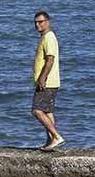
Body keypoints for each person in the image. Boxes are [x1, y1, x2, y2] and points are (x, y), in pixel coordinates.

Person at [32, 11, 65, 151]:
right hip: (50, 82)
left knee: (37, 110)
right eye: (36, 22)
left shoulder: (49, 37)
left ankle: (56, 136)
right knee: (48, 111)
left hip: (47, 82)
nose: (37, 25)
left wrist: (42, 78)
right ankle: (51, 140)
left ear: (48, 21)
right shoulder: (45, 37)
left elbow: (50, 59)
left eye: (40, 22)